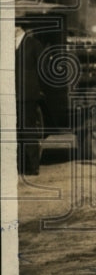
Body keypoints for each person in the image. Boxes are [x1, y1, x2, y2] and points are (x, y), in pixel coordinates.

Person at [15, 24, 45, 176]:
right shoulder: (5, 44)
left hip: (27, 95)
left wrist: (37, 89)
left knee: (28, 130)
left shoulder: (34, 44)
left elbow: (43, 68)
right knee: (14, 132)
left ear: (19, 27)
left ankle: (32, 166)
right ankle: (18, 166)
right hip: (10, 95)